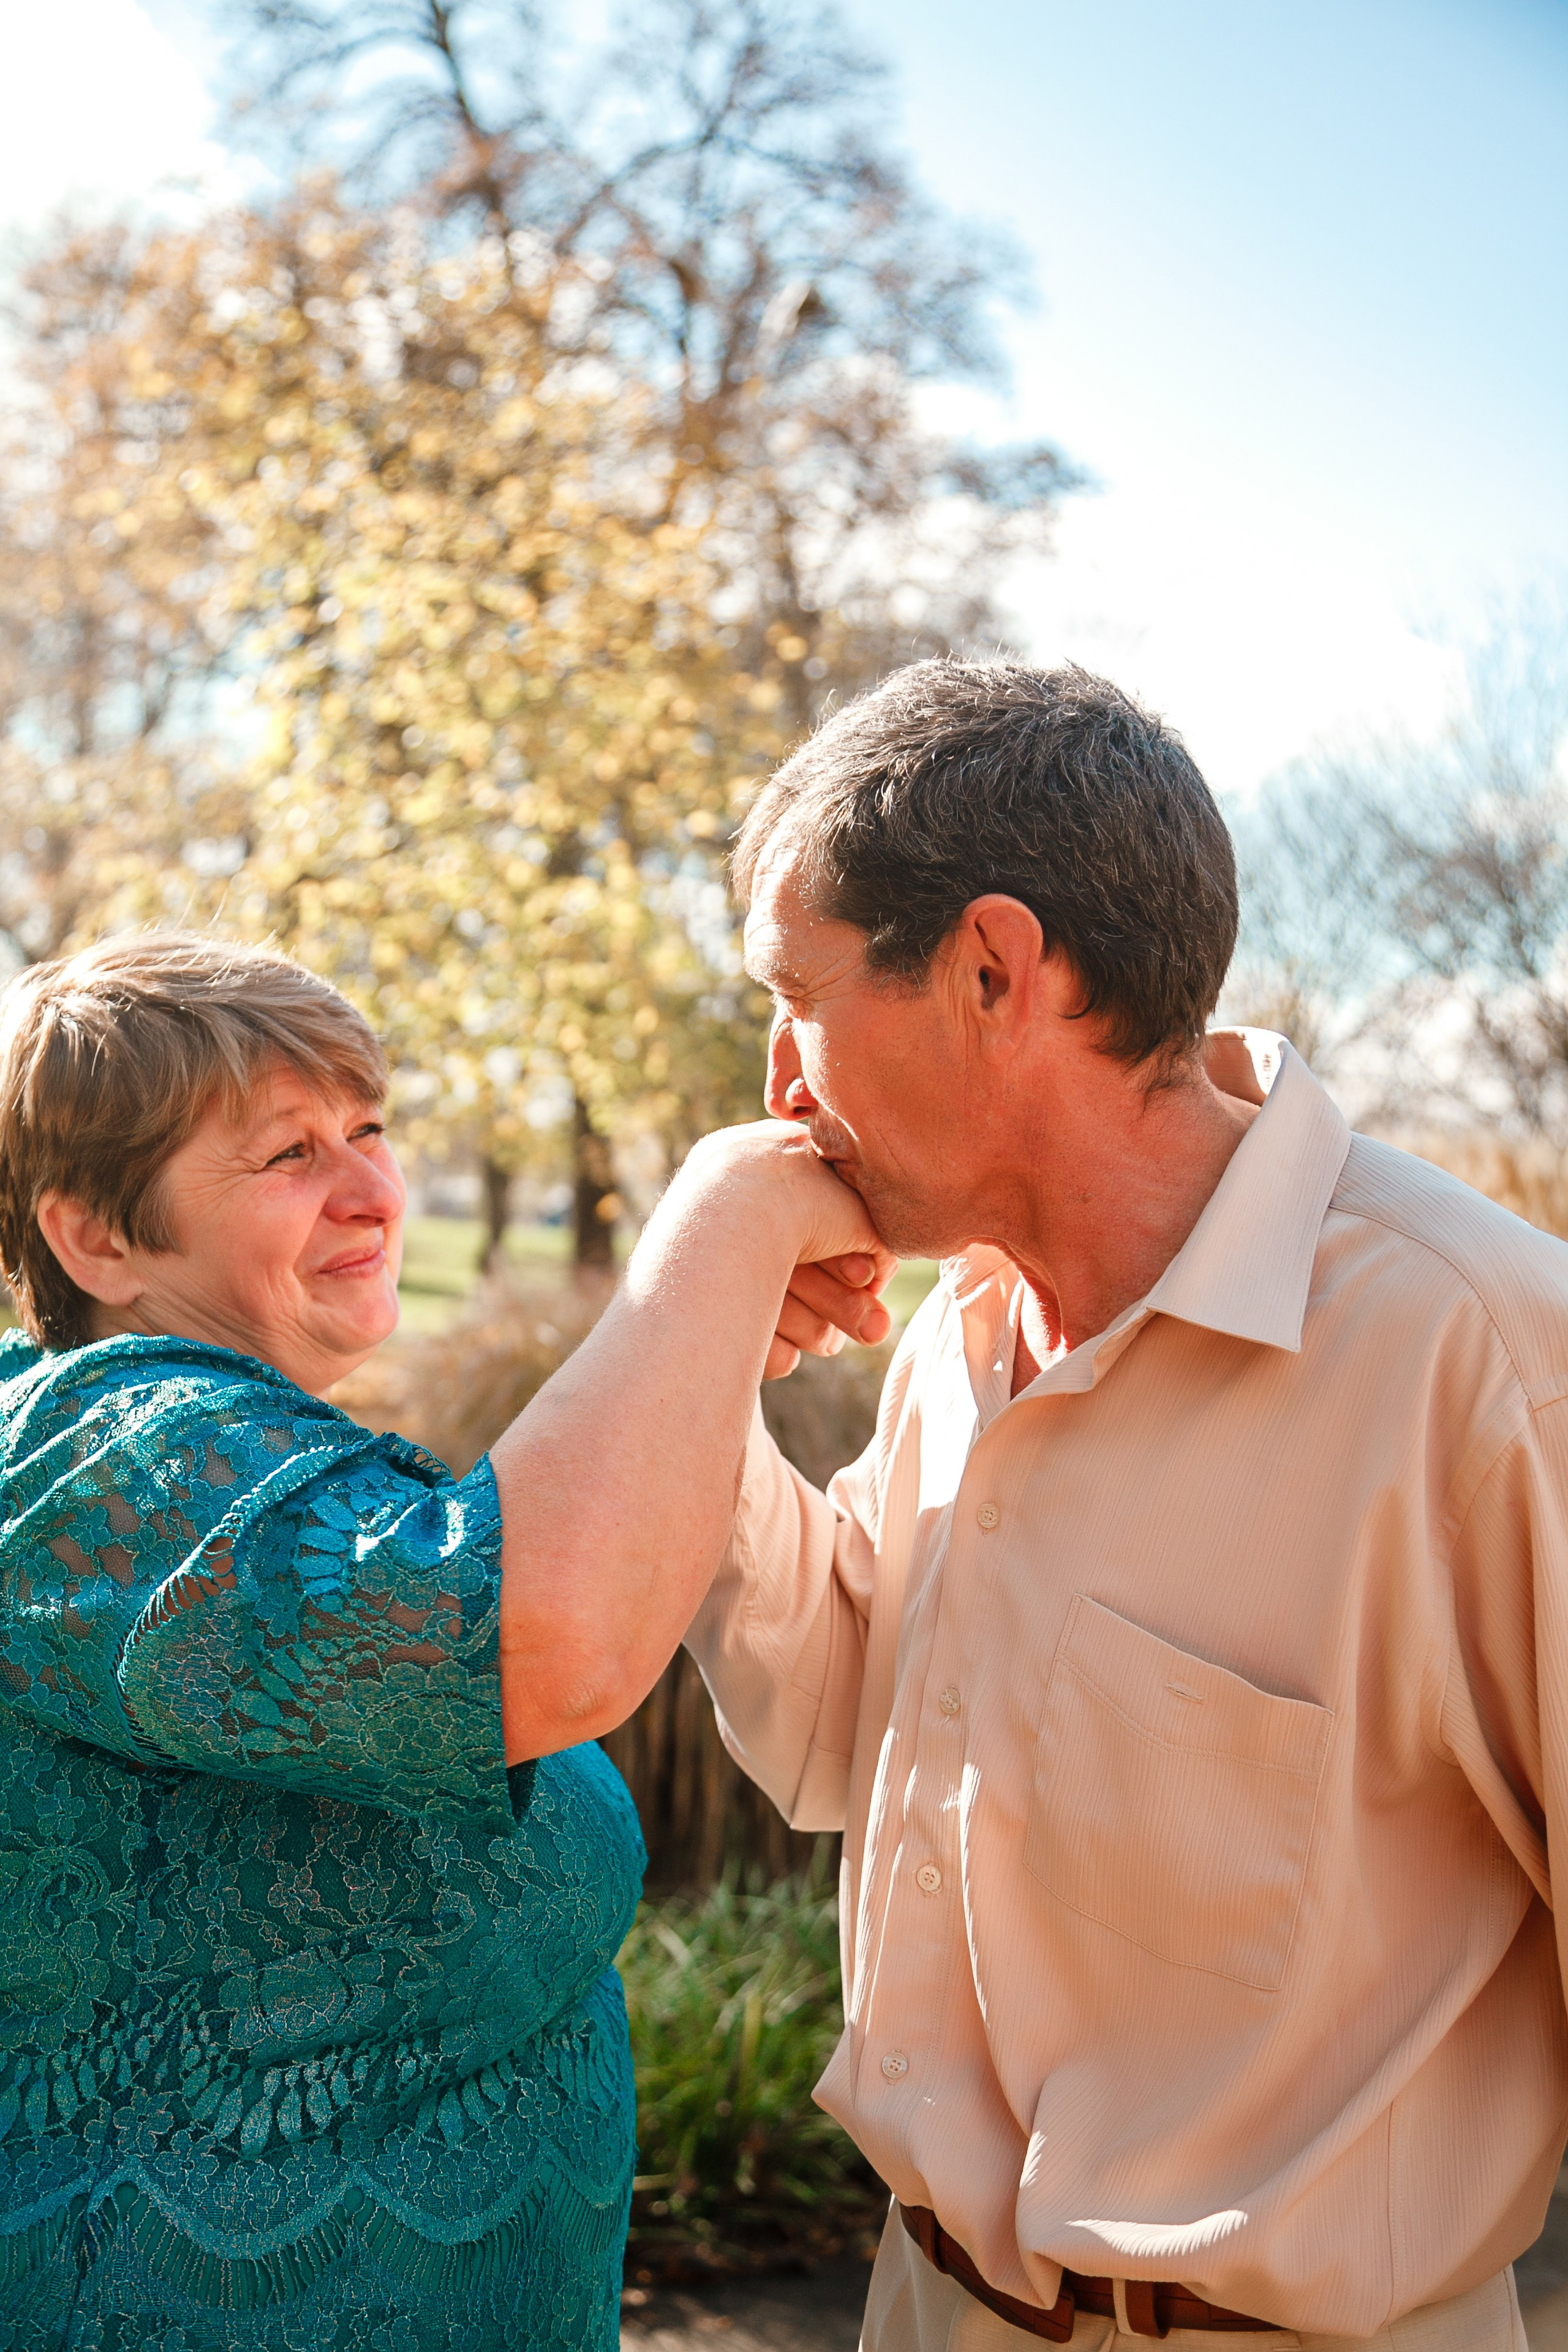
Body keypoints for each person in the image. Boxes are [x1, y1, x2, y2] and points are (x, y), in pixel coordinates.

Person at [680, 657, 1568, 2352]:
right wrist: (697, 1359)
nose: (782, 1083)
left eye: (798, 998)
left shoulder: (1492, 1361)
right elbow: (820, 1734)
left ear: (995, 970)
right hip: (914, 2310)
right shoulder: (968, 1326)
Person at [0, 932, 886, 2352]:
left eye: (366, 1130)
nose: (369, 1190)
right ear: (96, 1236)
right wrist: (731, 1210)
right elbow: (534, 1644)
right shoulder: (109, 1463)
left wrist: (697, 1342)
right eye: (287, 1156)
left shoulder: (245, 1460)